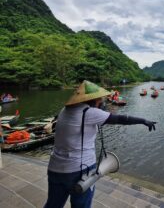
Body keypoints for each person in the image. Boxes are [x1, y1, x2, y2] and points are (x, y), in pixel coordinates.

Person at [44, 80, 156, 208]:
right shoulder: (89, 112)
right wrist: (143, 120)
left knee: (53, 204)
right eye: (99, 100)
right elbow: (120, 119)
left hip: (55, 167)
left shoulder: (64, 110)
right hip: (79, 169)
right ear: (92, 100)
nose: (101, 102)